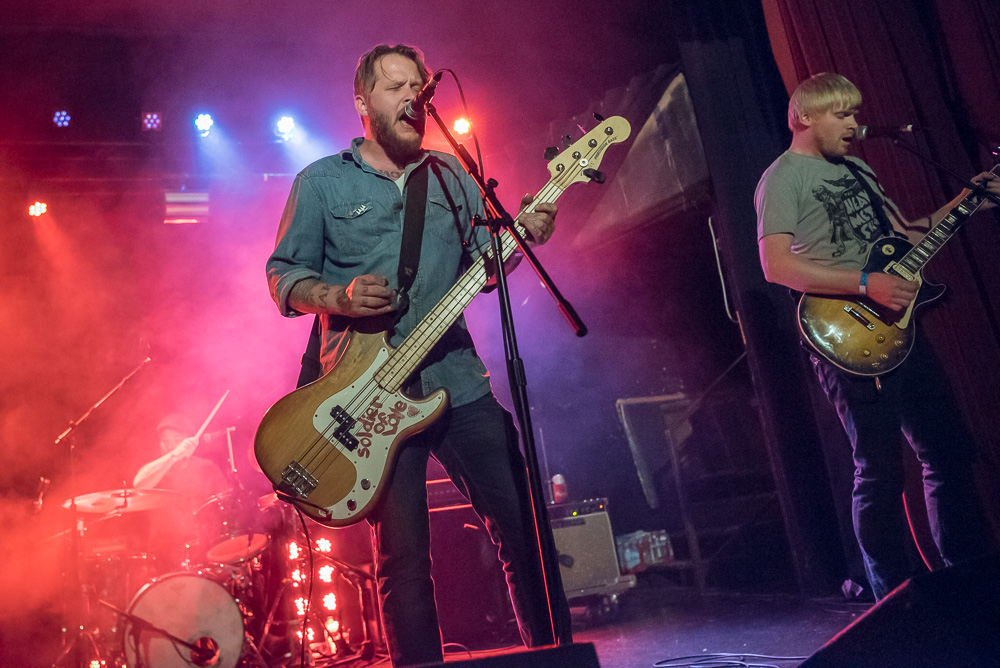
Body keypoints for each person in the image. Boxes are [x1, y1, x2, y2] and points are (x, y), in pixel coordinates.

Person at [265, 44, 569, 665]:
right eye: (396, 86)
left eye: (419, 86)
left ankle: (553, 655)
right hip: (365, 395)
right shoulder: (320, 183)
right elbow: (283, 278)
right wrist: (340, 297)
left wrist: (521, 238)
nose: (413, 96)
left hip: (456, 380)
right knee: (404, 561)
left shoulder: (452, 174)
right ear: (363, 102)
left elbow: (482, 269)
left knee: (524, 529)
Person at [755, 72, 999, 600]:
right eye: (841, 114)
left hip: (899, 328)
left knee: (948, 450)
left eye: (855, 113)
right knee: (880, 470)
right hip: (842, 332)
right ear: (805, 117)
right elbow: (776, 265)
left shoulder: (858, 169)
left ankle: (970, 579)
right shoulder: (783, 178)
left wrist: (967, 201)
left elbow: (906, 235)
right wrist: (867, 283)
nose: (853, 124)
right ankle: (894, 599)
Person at [134, 414, 230, 566]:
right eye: (165, 441)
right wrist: (173, 456)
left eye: (176, 440)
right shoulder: (157, 470)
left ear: (189, 442)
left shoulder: (206, 467)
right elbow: (138, 485)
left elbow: (228, 506)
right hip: (165, 554)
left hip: (207, 550)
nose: (170, 446)